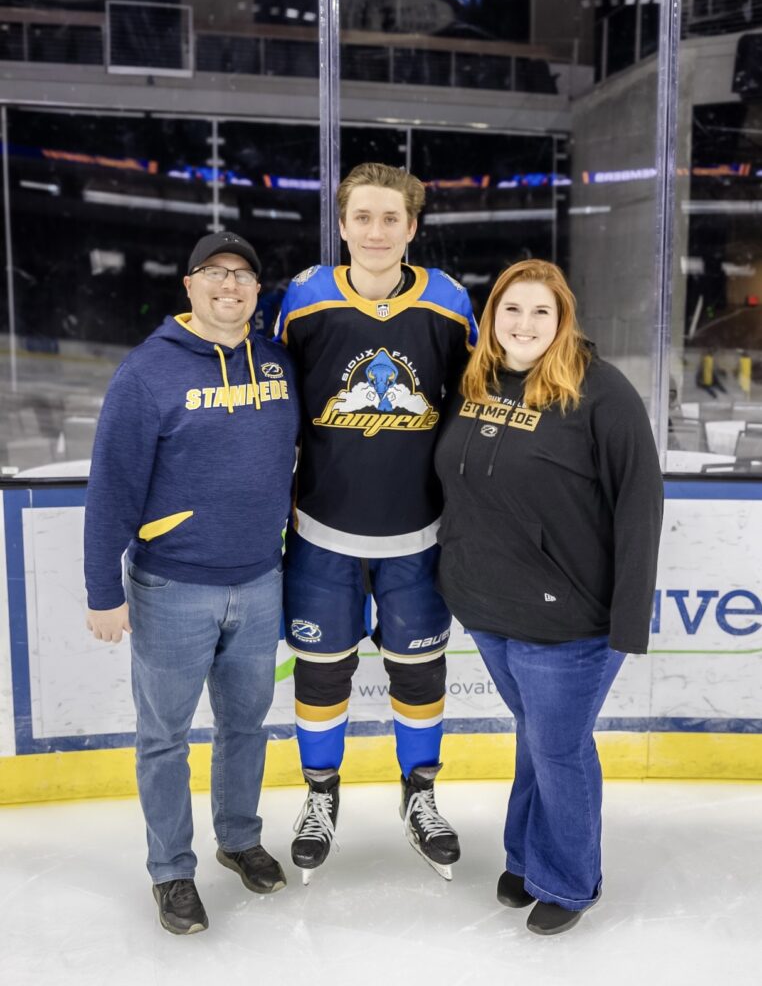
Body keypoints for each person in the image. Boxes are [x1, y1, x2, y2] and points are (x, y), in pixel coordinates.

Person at [434, 259, 662, 935]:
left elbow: (639, 505)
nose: (525, 324)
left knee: (559, 747)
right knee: (534, 737)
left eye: (542, 312)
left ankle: (567, 878)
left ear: (563, 320)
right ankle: (526, 856)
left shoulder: (601, 392)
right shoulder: (475, 382)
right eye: (512, 309)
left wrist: (629, 621)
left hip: (571, 618)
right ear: (491, 317)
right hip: (490, 607)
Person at [84, 231, 300, 935]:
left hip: (260, 580)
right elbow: (111, 487)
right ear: (190, 285)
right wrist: (101, 589)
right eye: (215, 272)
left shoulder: (277, 362)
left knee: (245, 726)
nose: (229, 284)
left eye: (242, 275)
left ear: (256, 292)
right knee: (164, 737)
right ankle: (172, 870)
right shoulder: (147, 373)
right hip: (171, 587)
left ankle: (238, 839)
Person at [275, 162, 478, 881]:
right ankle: (320, 796)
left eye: (392, 218)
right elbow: (274, 398)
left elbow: (474, 401)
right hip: (322, 532)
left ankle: (419, 794)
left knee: (418, 671)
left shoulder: (450, 302)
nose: (376, 231)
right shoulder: (302, 299)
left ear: (413, 228)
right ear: (340, 224)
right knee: (321, 672)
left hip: (417, 535)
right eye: (362, 217)